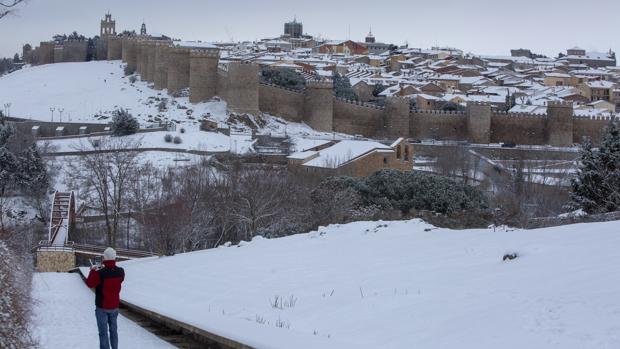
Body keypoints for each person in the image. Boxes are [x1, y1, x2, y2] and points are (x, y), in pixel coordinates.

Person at [86, 247, 125, 349]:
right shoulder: (121, 272)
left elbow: (90, 284)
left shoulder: (100, 273)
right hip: (114, 307)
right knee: (113, 331)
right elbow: (119, 281)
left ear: (105, 258)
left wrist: (93, 271)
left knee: (103, 333)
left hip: (102, 308)